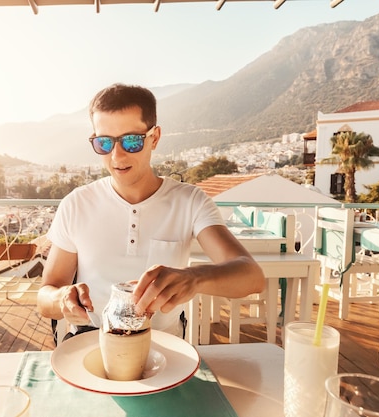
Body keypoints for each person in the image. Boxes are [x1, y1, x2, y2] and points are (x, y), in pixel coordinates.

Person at [37, 83, 265, 339]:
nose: (117, 156)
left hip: (165, 349)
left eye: (131, 141)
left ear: (154, 138)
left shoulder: (189, 201)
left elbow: (251, 276)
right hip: (89, 341)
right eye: (104, 143)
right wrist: (60, 299)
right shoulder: (76, 203)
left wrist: (195, 277)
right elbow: (46, 294)